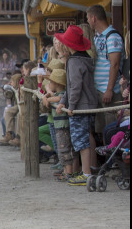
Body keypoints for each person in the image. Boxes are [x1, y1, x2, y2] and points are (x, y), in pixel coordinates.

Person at [54, 25, 99, 186]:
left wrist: (71, 105)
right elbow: (71, 87)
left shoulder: (73, 62)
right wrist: (63, 101)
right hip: (87, 103)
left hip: (79, 106)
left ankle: (86, 174)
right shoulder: (85, 59)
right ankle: (86, 170)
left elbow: (75, 86)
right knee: (84, 138)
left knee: (80, 140)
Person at [86, 5, 124, 143]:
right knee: (101, 129)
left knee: (111, 128)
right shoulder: (97, 37)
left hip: (109, 91)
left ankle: (114, 155)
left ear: (94, 18)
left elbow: (114, 64)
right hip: (98, 90)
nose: (88, 21)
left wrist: (109, 89)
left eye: (88, 18)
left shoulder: (112, 36)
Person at [41, 69, 76, 181]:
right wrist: (47, 97)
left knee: (65, 148)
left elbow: (59, 98)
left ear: (57, 84)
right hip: (58, 126)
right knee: (61, 149)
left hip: (63, 126)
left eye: (51, 82)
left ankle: (69, 172)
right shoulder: (56, 94)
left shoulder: (62, 94)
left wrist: (48, 98)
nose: (49, 84)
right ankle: (65, 171)